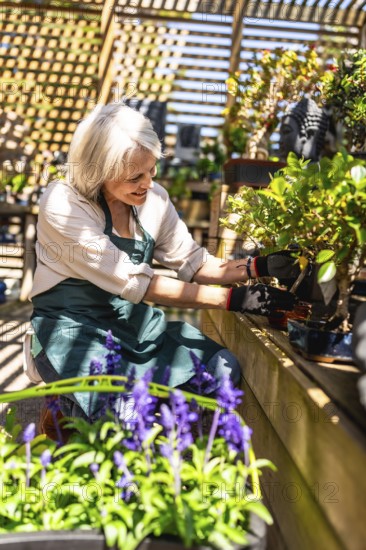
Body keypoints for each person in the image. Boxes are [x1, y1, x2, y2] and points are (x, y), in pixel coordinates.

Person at [30, 103, 299, 423]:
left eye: (152, 169)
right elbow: (139, 282)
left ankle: (103, 408)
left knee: (221, 371)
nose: (148, 182)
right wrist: (234, 299)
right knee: (123, 414)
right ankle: (72, 405)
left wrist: (259, 267)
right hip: (70, 332)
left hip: (131, 328)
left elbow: (195, 262)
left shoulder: (153, 200)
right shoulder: (63, 203)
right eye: (135, 176)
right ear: (99, 169)